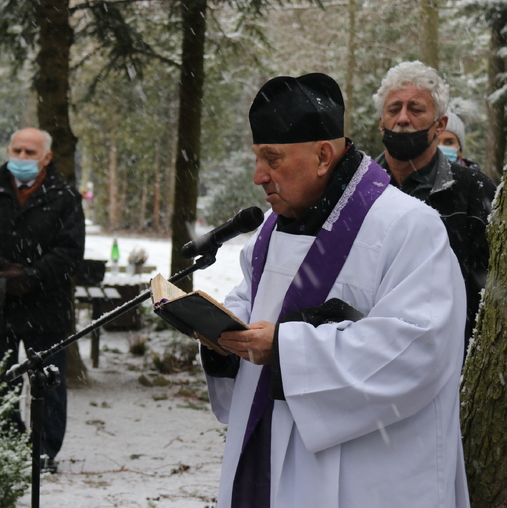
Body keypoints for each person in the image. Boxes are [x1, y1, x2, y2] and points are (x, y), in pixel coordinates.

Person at [201, 73, 469, 507]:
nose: (258, 176)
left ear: (324, 155)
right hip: (272, 459)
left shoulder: (406, 226)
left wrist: (288, 349)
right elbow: (248, 299)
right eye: (257, 158)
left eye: (272, 158)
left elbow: (419, 347)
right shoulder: (272, 229)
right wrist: (220, 335)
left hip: (370, 473)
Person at [0, 127, 85, 473]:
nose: (22, 158)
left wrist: (32, 276)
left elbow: (70, 252)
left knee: (48, 383)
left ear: (47, 157)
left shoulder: (65, 197)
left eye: (30, 153)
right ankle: (7, 446)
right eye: (17, 151)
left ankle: (44, 452)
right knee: (1, 380)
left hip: (47, 306)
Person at [373, 61, 496, 352]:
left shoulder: (474, 192)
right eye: (393, 110)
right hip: (367, 364)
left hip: (446, 366)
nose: (403, 119)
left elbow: (490, 299)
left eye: (415, 109)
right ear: (381, 122)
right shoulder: (357, 190)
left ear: (440, 124)